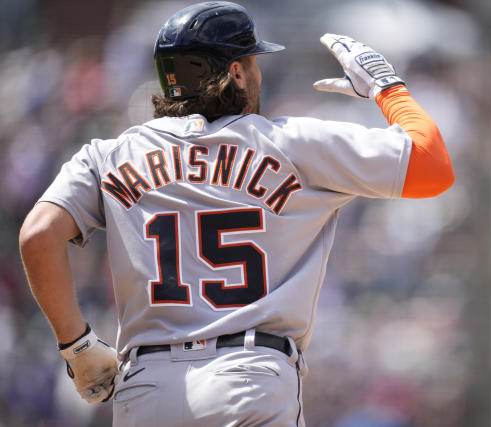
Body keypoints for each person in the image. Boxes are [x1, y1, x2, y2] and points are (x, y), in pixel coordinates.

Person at [19, 2, 454, 426]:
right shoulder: (292, 143)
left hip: (145, 389)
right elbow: (432, 167)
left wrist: (76, 346)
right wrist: (388, 89)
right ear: (235, 72)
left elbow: (37, 236)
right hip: (249, 378)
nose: (259, 73)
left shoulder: (109, 154)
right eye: (253, 62)